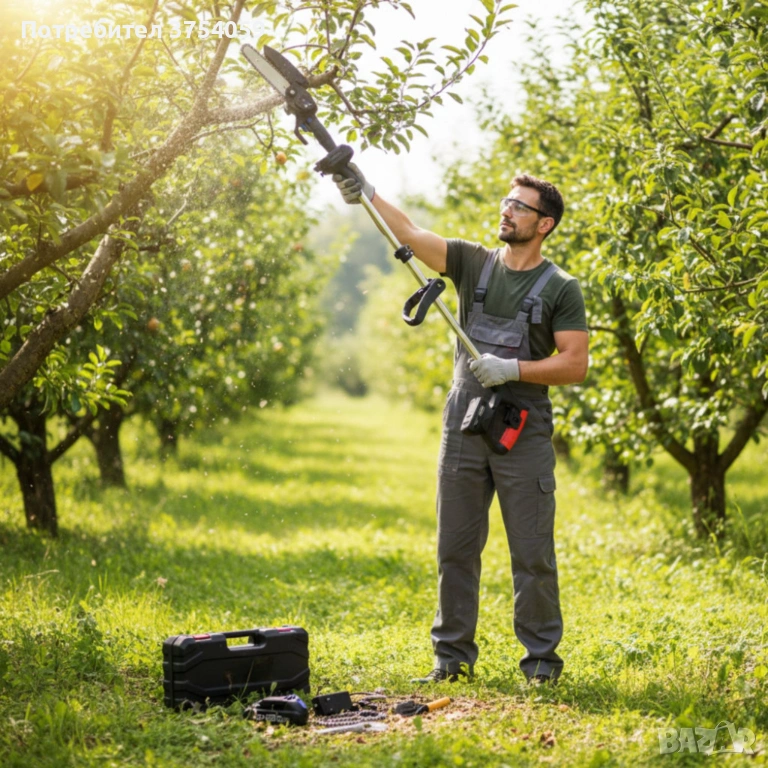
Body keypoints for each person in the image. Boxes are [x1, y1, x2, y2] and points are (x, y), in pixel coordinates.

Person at [334, 166, 589, 685]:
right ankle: (451, 661)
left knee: (532, 552)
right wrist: (365, 190)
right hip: (465, 422)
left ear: (545, 225)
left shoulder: (561, 287)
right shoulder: (473, 262)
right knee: (455, 547)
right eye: (507, 201)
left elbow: (575, 363)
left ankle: (541, 664)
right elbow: (406, 233)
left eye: (520, 206)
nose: (508, 210)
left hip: (523, 428)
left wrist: (514, 369)